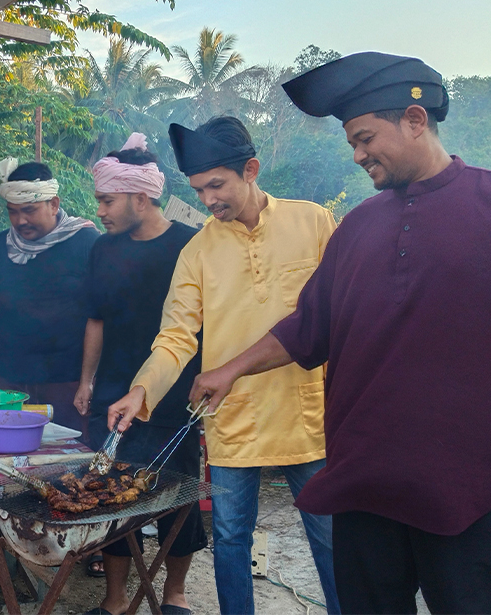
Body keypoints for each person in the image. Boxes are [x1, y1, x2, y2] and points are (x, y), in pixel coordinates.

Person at [155, 52, 491, 613]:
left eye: (364, 138)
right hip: (365, 478)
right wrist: (231, 369)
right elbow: (310, 326)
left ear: (414, 120)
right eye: (351, 143)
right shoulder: (359, 226)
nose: (357, 155)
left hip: (464, 484)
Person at [108, 117, 340, 614]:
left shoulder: (314, 222)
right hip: (234, 414)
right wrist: (141, 390)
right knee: (232, 536)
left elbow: (341, 314)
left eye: (217, 185)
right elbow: (175, 338)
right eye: (199, 189)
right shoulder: (197, 251)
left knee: (329, 533)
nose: (209, 200)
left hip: (308, 411)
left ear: (251, 169)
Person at [74, 133, 207, 615]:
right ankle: (114, 600)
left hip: (177, 393)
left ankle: (174, 596)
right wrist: (87, 382)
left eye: (107, 200)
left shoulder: (191, 245)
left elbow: (202, 326)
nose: (102, 211)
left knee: (178, 494)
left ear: (141, 197)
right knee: (112, 495)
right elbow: (96, 318)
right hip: (114, 391)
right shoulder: (102, 249)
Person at [0, 160, 99, 440]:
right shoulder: (0, 245)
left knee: (69, 456)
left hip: (67, 378)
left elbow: (100, 315)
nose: (20, 221)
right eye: (13, 212)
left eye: (29, 210)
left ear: (53, 205)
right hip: (12, 376)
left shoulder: (86, 242)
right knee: (13, 449)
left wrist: (87, 381)